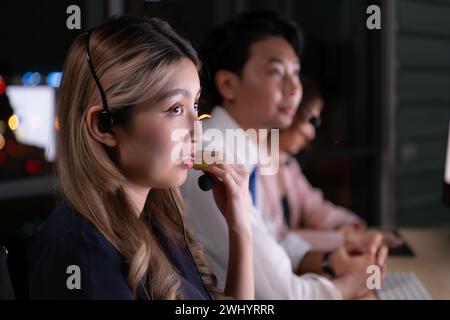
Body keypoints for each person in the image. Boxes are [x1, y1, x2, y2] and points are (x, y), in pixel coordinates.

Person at [28, 16, 253, 300]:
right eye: (174, 109)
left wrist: (239, 227)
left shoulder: (154, 220)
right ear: (104, 125)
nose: (197, 131)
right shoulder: (83, 255)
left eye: (194, 104)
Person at [181, 11, 387, 300]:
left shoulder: (245, 151)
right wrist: (347, 285)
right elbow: (281, 294)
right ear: (229, 84)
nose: (294, 89)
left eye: (296, 72)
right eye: (276, 72)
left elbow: (272, 240)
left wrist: (333, 257)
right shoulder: (211, 159)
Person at [260, 77, 403, 252]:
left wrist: (349, 226)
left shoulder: (288, 165)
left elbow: (315, 207)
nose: (311, 134)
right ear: (290, 112)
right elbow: (276, 240)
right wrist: (343, 239)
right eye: (312, 121)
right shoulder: (254, 168)